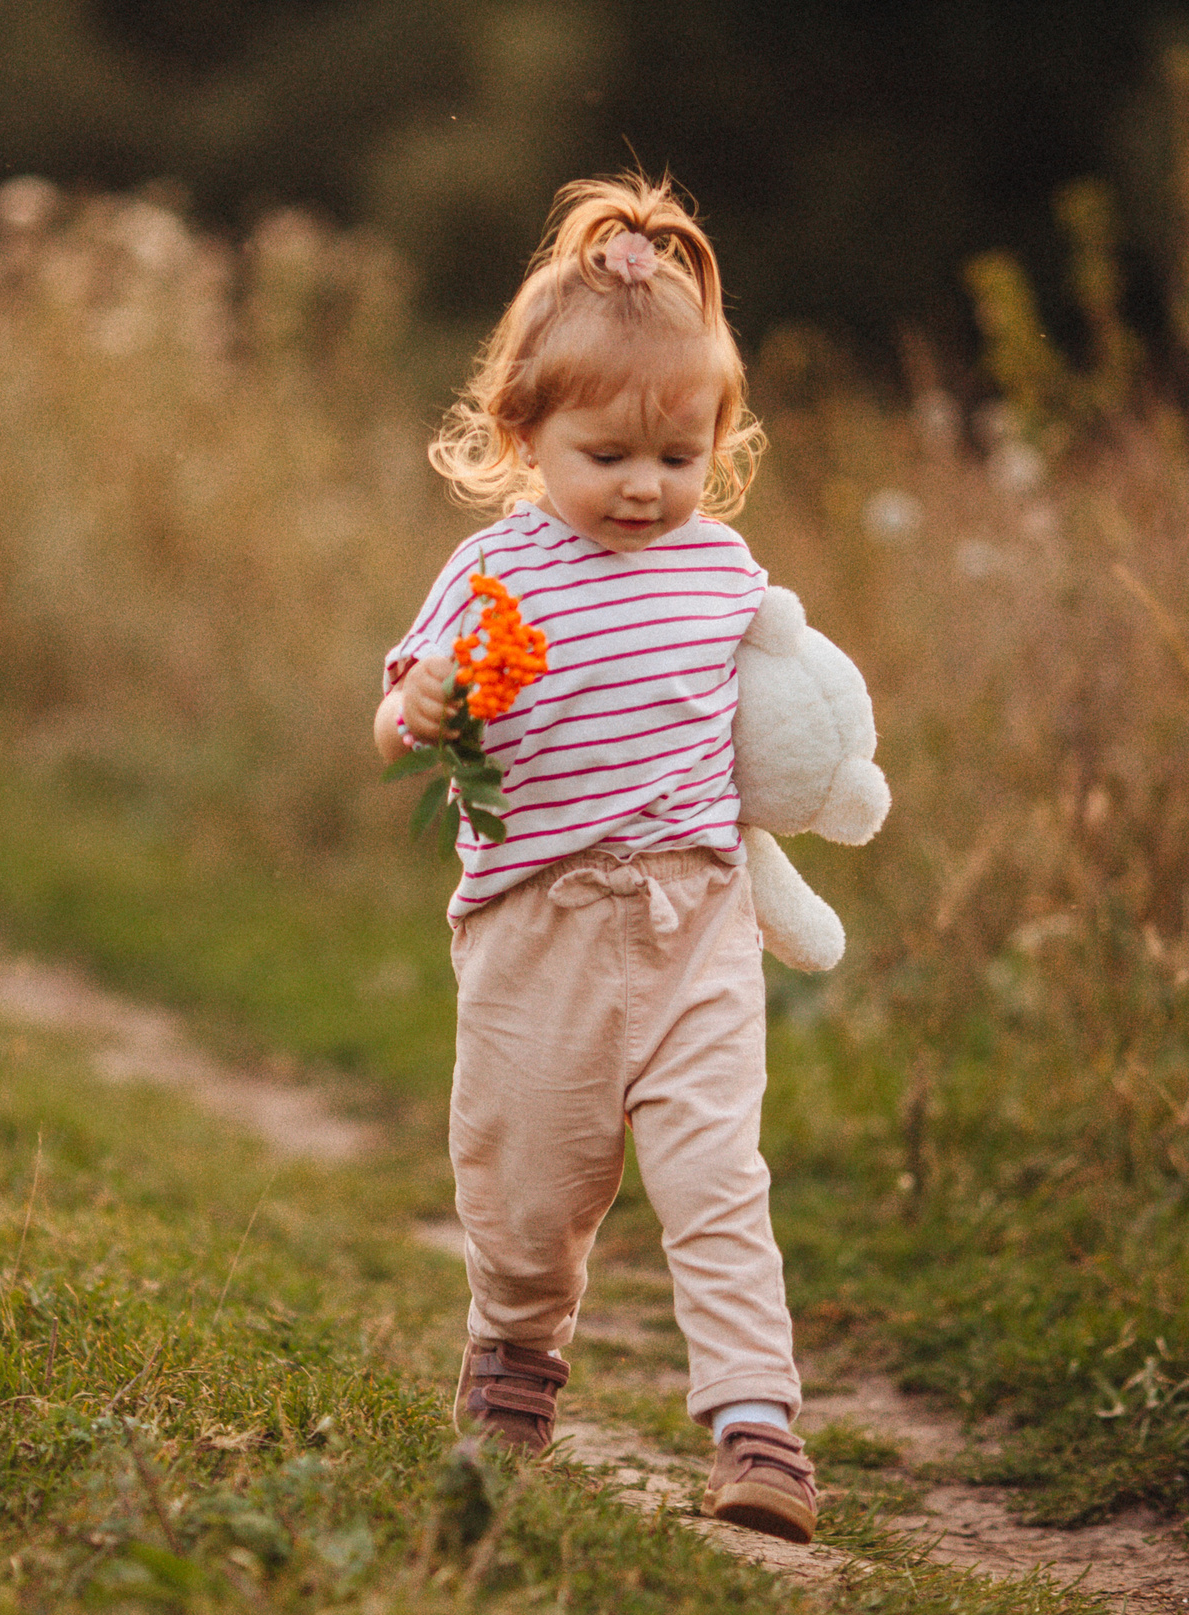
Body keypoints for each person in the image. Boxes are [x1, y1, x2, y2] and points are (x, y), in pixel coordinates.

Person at [373, 173, 819, 1543]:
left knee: (717, 1176)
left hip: (696, 916)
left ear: (717, 445)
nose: (644, 487)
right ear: (525, 432)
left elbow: (779, 720)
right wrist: (424, 703)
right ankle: (514, 1360)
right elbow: (395, 720)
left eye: (678, 457)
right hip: (537, 924)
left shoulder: (726, 573)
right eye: (608, 454)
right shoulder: (495, 575)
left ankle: (758, 1426)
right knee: (528, 1187)